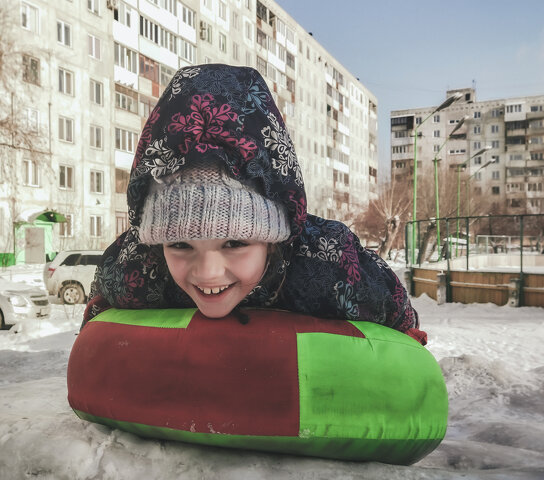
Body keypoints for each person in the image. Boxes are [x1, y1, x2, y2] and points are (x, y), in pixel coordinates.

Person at [84, 64, 426, 343]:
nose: (208, 273)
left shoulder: (329, 263)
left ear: (273, 237)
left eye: (234, 242)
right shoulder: (135, 267)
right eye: (179, 244)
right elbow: (98, 317)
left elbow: (399, 318)